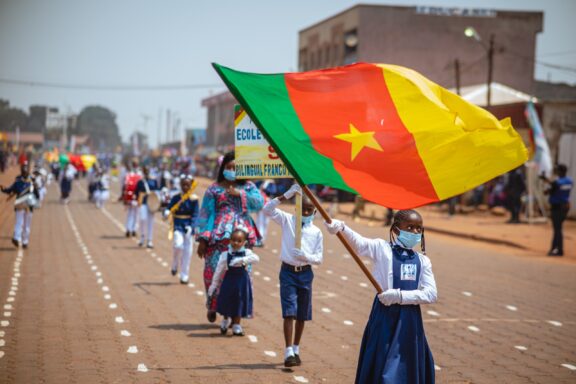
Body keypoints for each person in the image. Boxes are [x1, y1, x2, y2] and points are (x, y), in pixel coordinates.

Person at [324, 210, 437, 384]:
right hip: (384, 315)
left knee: (405, 363)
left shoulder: (423, 260)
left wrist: (399, 296)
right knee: (383, 364)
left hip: (409, 320)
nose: (415, 232)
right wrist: (342, 228)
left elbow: (431, 294)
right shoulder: (381, 248)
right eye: (410, 227)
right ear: (397, 229)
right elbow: (359, 244)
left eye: (419, 228)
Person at [196, 151, 264, 324]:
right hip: (217, 238)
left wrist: (240, 195)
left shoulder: (248, 187)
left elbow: (259, 203)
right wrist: (203, 239)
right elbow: (205, 213)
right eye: (228, 167)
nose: (232, 170)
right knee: (212, 274)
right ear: (222, 168)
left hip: (242, 237)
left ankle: (236, 317)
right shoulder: (214, 188)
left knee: (241, 275)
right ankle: (213, 305)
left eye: (235, 167)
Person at [263, 183, 323, 368]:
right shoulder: (288, 220)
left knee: (302, 314)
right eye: (303, 209)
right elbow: (267, 210)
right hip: (288, 271)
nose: (306, 213)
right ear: (297, 209)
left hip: (305, 273)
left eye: (310, 210)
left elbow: (319, 258)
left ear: (314, 212)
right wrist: (286, 195)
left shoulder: (316, 232)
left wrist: (306, 256)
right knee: (289, 311)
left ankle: (296, 347)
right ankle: (288, 350)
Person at [208, 226, 259, 336]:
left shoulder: (247, 252)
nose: (236, 243)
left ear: (244, 242)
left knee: (240, 301)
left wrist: (242, 260)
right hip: (229, 280)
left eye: (239, 241)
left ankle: (237, 324)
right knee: (227, 301)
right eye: (233, 240)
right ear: (230, 240)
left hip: (242, 282)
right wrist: (213, 285)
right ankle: (225, 320)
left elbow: (256, 259)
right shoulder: (226, 254)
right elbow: (219, 271)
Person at [163, 175, 199, 284]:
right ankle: (174, 263)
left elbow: (196, 214)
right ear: (180, 185)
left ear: (191, 185)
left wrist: (192, 226)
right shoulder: (176, 197)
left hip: (188, 227)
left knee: (187, 252)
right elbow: (169, 207)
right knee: (178, 245)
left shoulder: (194, 199)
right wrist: (167, 212)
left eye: (187, 185)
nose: (185, 187)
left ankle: (184, 275)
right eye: (183, 184)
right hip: (178, 225)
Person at [1, 163, 39, 248]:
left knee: (26, 225)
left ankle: (25, 241)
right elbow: (9, 190)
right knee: (19, 223)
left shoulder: (32, 182)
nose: (25, 173)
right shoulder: (18, 182)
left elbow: (37, 195)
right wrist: (3, 189)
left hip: (29, 207)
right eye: (24, 171)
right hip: (20, 206)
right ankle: (17, 239)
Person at [541, 164, 573, 256]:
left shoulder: (558, 182)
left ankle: (555, 249)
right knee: (559, 228)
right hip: (565, 207)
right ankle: (560, 249)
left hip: (557, 208)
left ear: (560, 171)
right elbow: (554, 185)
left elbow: (548, 190)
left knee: (557, 229)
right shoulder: (570, 181)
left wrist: (544, 179)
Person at [135, 166, 160, 248]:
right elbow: (136, 192)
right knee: (142, 219)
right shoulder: (140, 182)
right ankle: (142, 237)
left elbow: (157, 192)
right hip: (143, 202)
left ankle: (149, 240)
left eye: (147, 171)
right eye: (145, 171)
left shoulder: (153, 181)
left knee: (150, 222)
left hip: (151, 203)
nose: (146, 172)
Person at [122, 165, 141, 237]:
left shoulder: (128, 175)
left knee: (130, 214)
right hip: (137, 198)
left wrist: (124, 198)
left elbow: (124, 187)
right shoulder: (140, 175)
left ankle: (129, 229)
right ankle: (133, 230)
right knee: (136, 215)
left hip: (130, 198)